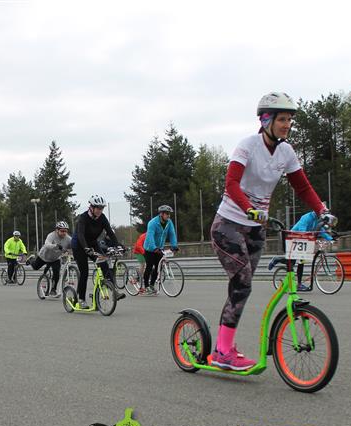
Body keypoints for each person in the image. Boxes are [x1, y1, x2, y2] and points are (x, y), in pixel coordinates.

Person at [210, 92, 336, 371]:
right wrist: (249, 208)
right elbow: (231, 184)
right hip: (228, 225)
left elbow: (302, 186)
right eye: (282, 119)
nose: (287, 124)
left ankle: (223, 346)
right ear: (266, 119)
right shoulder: (248, 145)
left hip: (256, 229)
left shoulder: (286, 152)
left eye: (290, 120)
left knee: (241, 287)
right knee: (242, 284)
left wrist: (321, 210)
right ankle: (222, 352)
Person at [71, 195, 126, 308]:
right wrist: (86, 248)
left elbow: (110, 232)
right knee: (84, 272)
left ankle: (114, 291)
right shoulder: (83, 218)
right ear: (91, 207)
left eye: (102, 208)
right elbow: (80, 235)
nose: (100, 210)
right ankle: (81, 300)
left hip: (93, 243)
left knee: (104, 265)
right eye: (98, 208)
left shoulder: (102, 218)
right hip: (79, 245)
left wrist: (118, 246)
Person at [291, 204, 335, 291]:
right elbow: (302, 231)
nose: (323, 214)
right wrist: (311, 238)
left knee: (301, 262)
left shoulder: (317, 219)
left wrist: (331, 239)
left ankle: (299, 284)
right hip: (293, 238)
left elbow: (321, 231)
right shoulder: (306, 217)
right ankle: (277, 260)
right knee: (293, 262)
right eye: (323, 212)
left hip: (303, 240)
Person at [26, 221, 72, 297]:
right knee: (35, 267)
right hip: (44, 256)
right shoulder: (51, 235)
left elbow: (74, 245)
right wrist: (56, 246)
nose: (64, 233)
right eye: (62, 231)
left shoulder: (68, 238)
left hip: (55, 258)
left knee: (56, 273)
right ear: (57, 230)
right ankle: (31, 260)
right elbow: (47, 244)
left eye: (65, 231)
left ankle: (53, 290)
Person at [142, 205, 179, 295]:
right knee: (149, 266)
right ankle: (146, 286)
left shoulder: (169, 222)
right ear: (161, 214)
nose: (169, 215)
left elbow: (172, 234)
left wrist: (174, 246)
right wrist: (154, 247)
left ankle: (151, 285)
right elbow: (150, 236)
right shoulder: (152, 223)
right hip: (149, 248)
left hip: (160, 248)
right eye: (167, 213)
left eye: (169, 214)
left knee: (159, 267)